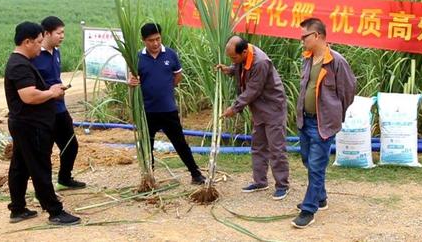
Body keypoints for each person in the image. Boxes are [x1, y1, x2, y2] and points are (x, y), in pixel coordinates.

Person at [4, 21, 80, 225]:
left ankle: (18, 209)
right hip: (30, 125)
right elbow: (29, 96)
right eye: (38, 42)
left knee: (20, 166)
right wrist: (51, 93)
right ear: (27, 42)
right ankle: (55, 211)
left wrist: (50, 90)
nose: (40, 46)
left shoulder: (22, 62)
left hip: (24, 123)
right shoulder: (19, 65)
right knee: (40, 167)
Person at [291, 18, 356, 229]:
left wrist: (334, 114)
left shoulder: (336, 61)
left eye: (304, 37)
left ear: (317, 36)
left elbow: (348, 92)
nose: (302, 41)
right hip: (305, 120)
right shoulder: (308, 59)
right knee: (308, 161)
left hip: (323, 124)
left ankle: (309, 210)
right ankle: (321, 197)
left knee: (317, 166)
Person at [128, 23, 205, 185]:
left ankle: (195, 174)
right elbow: (132, 79)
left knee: (180, 143)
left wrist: (167, 89)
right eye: (150, 40)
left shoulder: (170, 55)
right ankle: (149, 178)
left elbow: (178, 76)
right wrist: (132, 82)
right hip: (147, 111)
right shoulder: (137, 58)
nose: (155, 43)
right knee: (147, 146)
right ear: (143, 40)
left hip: (168, 110)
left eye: (158, 39)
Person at [217, 35, 290, 200]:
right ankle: (260, 181)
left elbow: (253, 90)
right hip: (259, 109)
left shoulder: (260, 62)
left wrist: (234, 108)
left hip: (272, 108)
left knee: (276, 148)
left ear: (243, 51)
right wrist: (229, 69)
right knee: (258, 145)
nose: (233, 60)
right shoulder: (244, 57)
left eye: (234, 58)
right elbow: (241, 69)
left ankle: (282, 185)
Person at [31, 16, 85, 190]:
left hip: (60, 108)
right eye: (59, 33)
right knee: (43, 151)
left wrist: (60, 88)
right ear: (46, 33)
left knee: (71, 145)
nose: (62, 36)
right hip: (43, 110)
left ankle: (64, 179)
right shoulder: (35, 55)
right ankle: (44, 189)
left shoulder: (57, 52)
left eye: (63, 33)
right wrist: (50, 91)